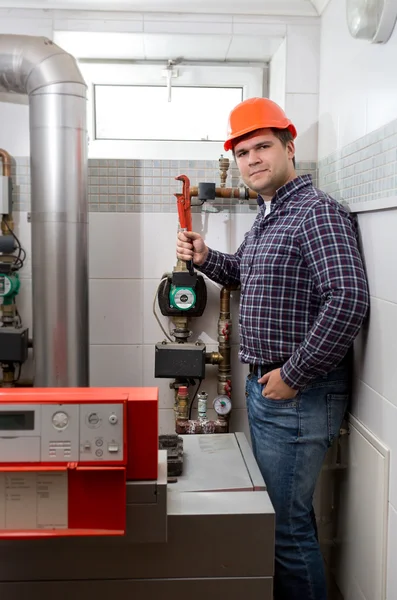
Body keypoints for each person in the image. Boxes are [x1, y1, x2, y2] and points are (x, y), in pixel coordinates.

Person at [176, 97, 369, 600]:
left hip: (298, 394)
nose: (252, 160)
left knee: (286, 529)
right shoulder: (270, 216)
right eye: (242, 153)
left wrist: (293, 376)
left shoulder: (316, 212)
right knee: (282, 518)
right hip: (274, 389)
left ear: (289, 146)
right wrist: (206, 257)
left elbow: (348, 300)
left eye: (262, 147)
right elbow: (245, 274)